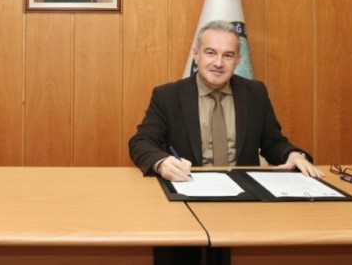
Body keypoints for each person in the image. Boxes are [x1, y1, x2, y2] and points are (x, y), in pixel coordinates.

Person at [130, 20, 324, 265]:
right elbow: (141, 141)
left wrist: (293, 154)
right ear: (196, 55)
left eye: (228, 55)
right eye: (210, 52)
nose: (218, 63)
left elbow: (273, 142)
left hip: (244, 203)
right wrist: (161, 162)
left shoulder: (255, 93)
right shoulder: (168, 95)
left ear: (238, 59)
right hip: (188, 201)